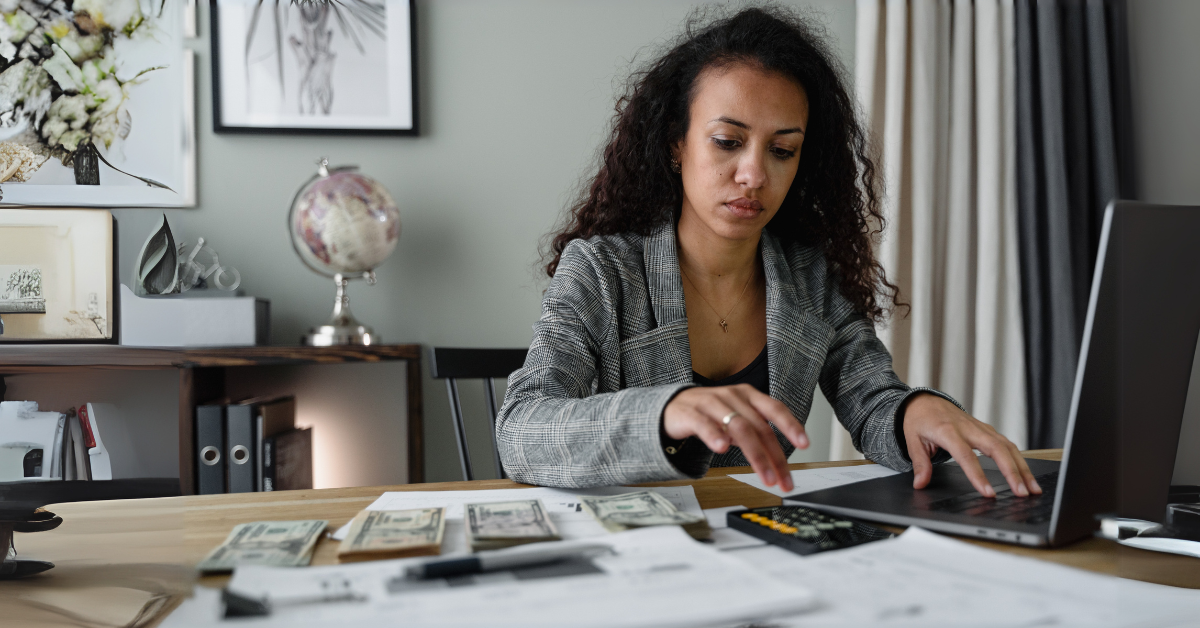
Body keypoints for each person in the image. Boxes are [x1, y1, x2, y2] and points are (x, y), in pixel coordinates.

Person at [496, 7, 1040, 500]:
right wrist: (662, 414)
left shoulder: (808, 277)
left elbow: (872, 400)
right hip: (641, 550)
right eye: (728, 142)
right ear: (676, 145)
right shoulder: (602, 270)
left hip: (761, 538)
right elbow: (522, 428)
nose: (755, 174)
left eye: (782, 150)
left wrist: (915, 410)